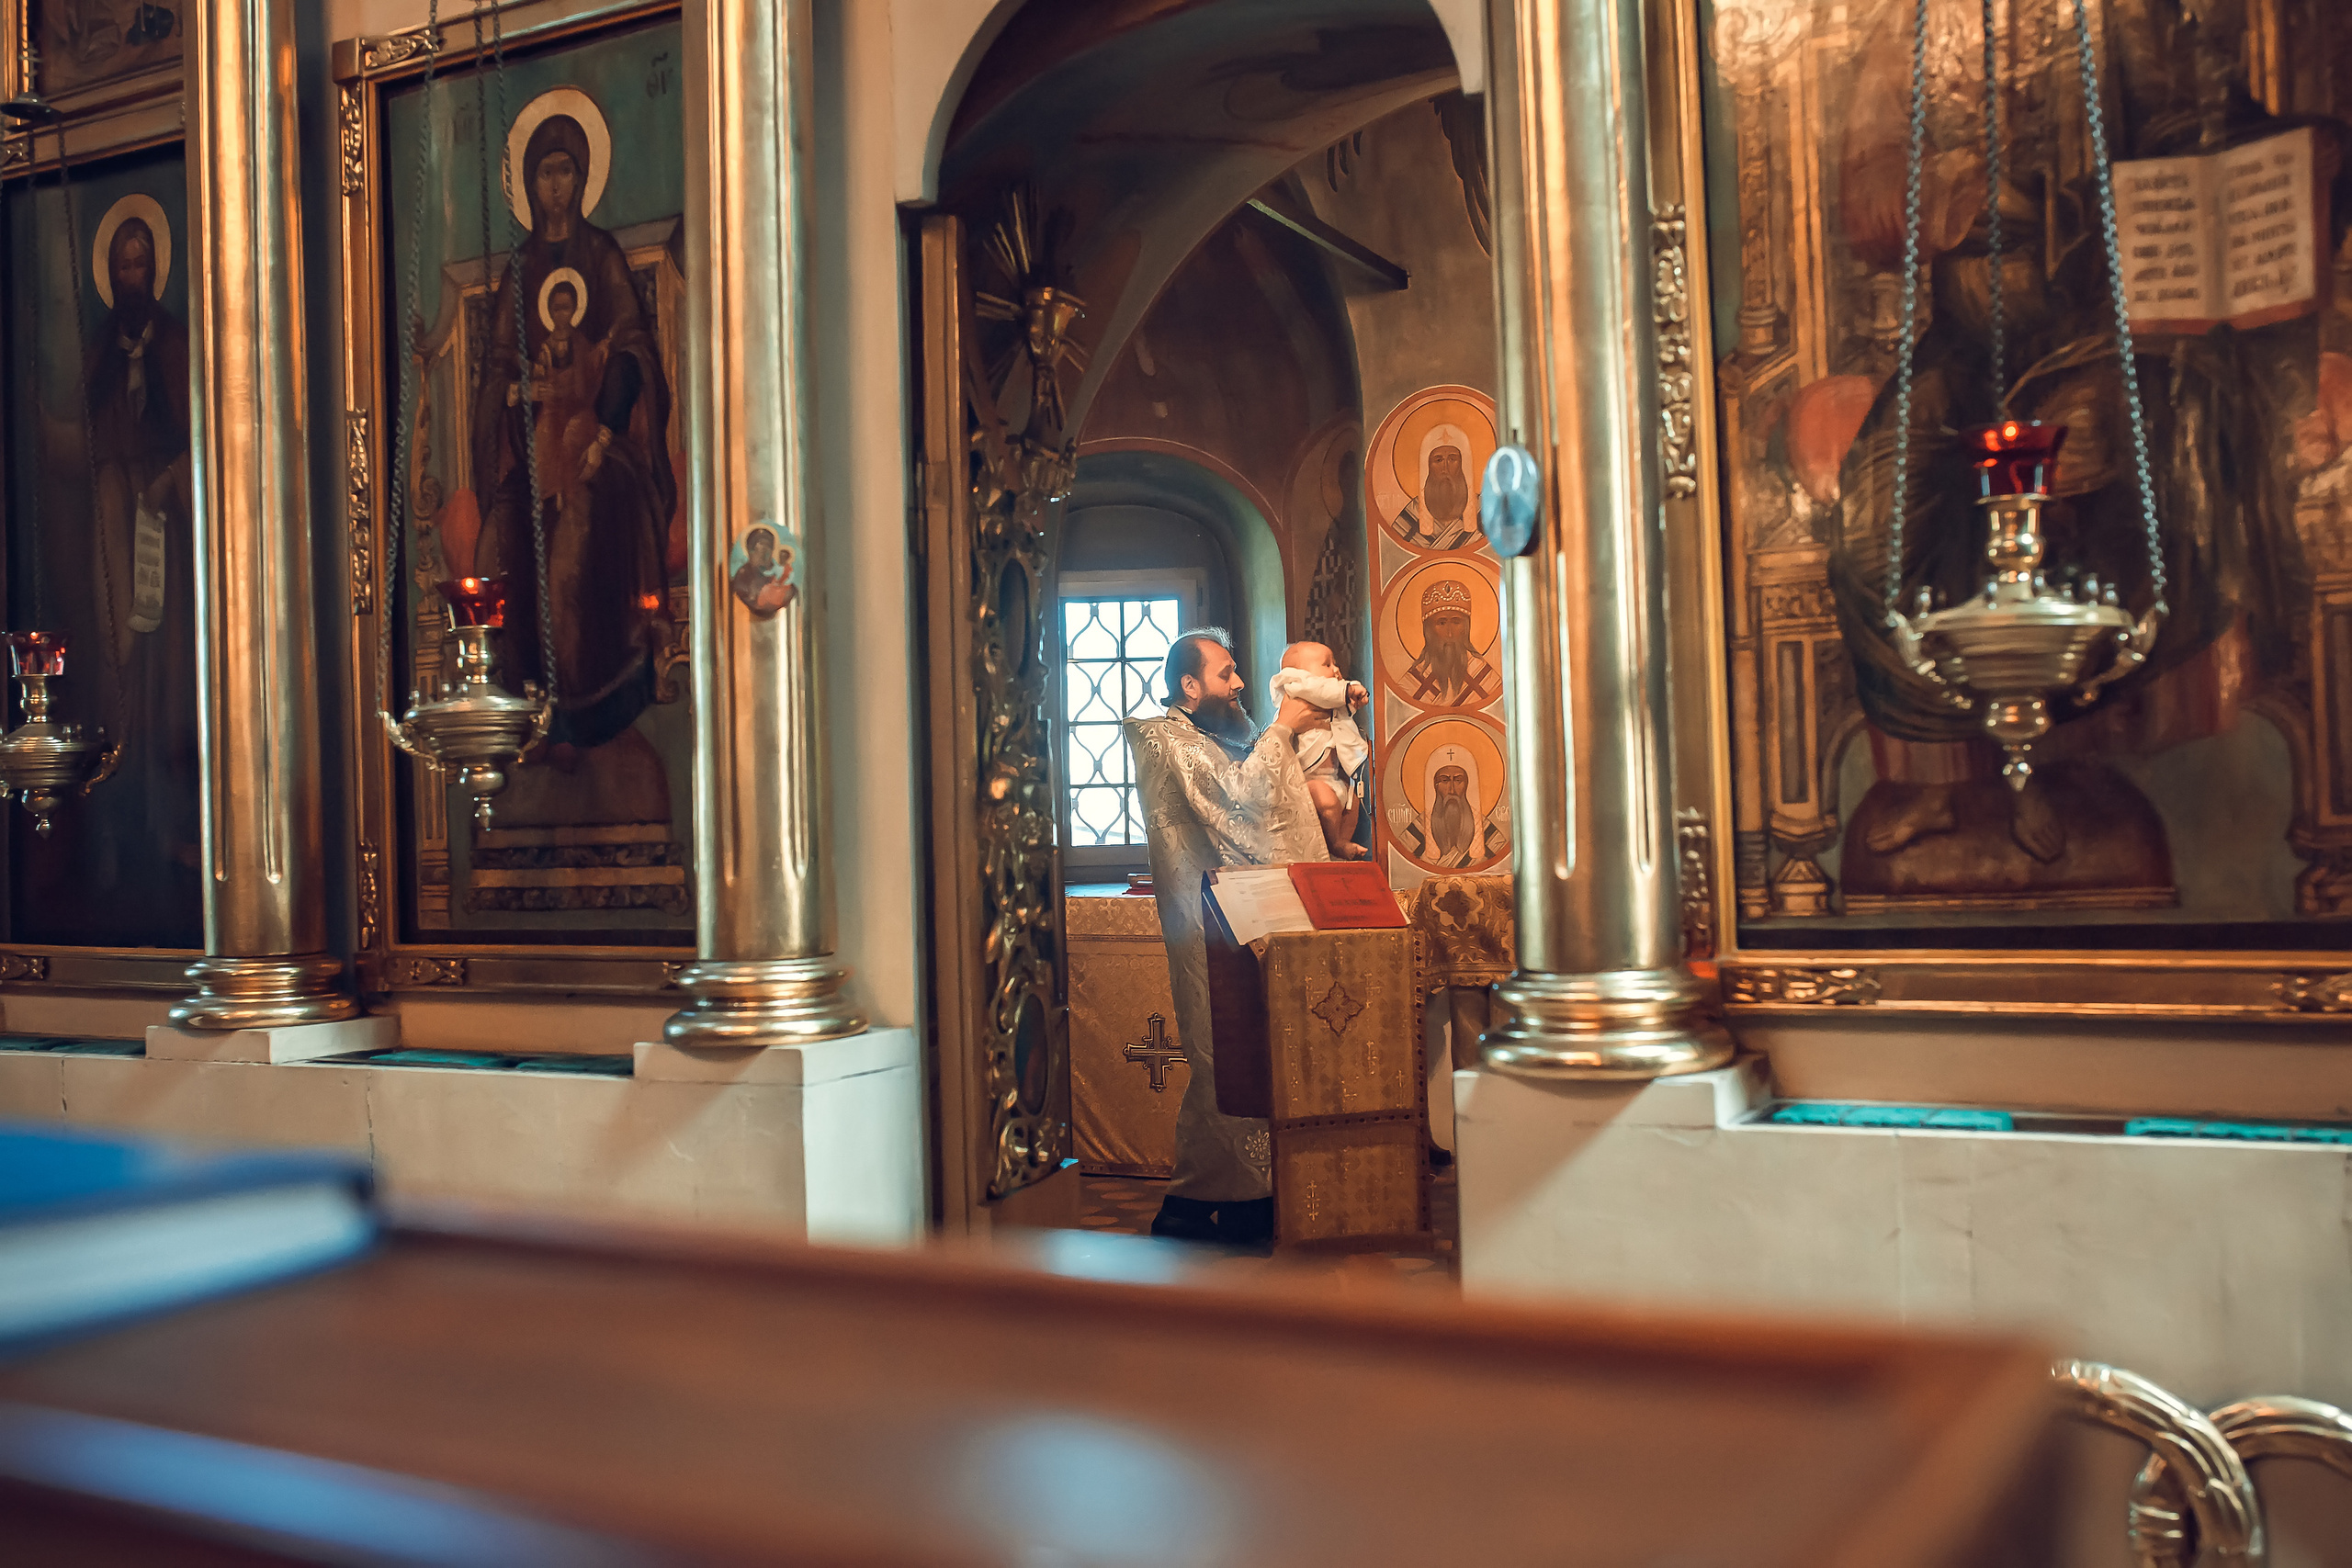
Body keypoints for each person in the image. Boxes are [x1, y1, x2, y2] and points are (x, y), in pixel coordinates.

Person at [471, 109, 675, 763]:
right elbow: (500, 363)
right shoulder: (521, 267)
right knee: (503, 531)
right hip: (538, 444)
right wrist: (513, 396)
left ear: (582, 178)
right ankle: (516, 697)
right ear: (531, 185)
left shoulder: (602, 255)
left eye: (565, 172)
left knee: (578, 532)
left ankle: (588, 701)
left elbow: (632, 347)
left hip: (599, 441)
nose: (556, 186)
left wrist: (605, 424)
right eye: (544, 174)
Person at [1123, 628, 1329, 1247]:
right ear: (1189, 685)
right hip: (1206, 925)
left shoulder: (1222, 735)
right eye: (1226, 673)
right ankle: (1207, 1204)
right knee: (1223, 1059)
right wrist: (1283, 729)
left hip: (1247, 921)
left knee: (1247, 1058)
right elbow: (1242, 802)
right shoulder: (1167, 737)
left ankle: (1226, 1203)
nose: (1239, 684)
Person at [1266, 640, 1372, 860]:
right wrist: (1349, 690)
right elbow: (1320, 690)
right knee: (1327, 801)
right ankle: (1335, 843)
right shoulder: (1297, 688)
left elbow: (1335, 700)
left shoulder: (1329, 699)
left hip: (1333, 778)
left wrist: (1353, 699)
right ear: (1298, 674)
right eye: (1327, 664)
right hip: (1309, 781)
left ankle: (1342, 841)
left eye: (1335, 663)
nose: (1336, 669)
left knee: (1354, 803)